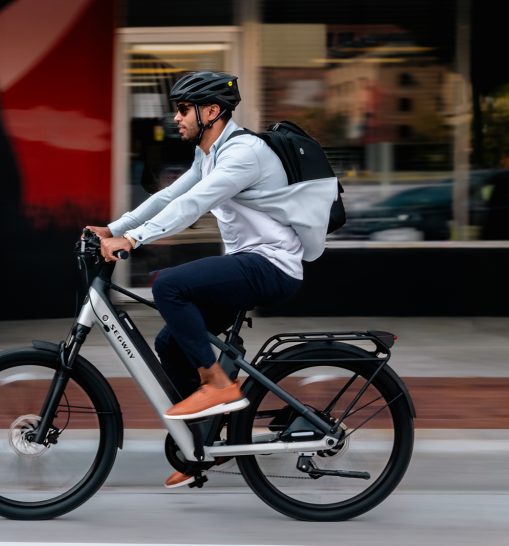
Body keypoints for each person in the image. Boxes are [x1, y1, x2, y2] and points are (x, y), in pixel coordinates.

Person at [85, 71, 338, 488]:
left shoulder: (244, 153)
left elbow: (193, 205)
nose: (177, 118)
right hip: (250, 263)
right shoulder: (211, 154)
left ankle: (216, 384)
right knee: (171, 341)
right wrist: (112, 229)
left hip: (271, 266)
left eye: (184, 110)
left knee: (169, 286)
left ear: (212, 111)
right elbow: (170, 196)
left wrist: (133, 238)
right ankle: (204, 439)